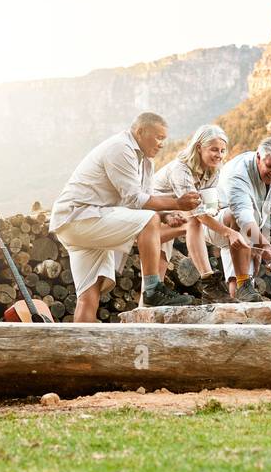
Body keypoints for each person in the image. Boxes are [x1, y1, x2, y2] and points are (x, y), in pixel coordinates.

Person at [49, 112, 200, 321]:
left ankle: (81, 350)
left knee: (88, 295)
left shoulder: (146, 162)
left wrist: (165, 215)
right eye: (158, 137)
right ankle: (153, 289)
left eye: (164, 139)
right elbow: (134, 199)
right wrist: (177, 203)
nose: (162, 144)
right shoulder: (120, 147)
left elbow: (144, 203)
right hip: (80, 217)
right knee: (149, 221)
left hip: (81, 223)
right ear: (140, 131)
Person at [152, 124, 250, 303]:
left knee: (153, 286)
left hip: (172, 220)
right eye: (214, 149)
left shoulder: (213, 171)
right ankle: (208, 281)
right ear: (198, 147)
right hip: (150, 222)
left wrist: (215, 208)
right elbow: (197, 213)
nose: (219, 155)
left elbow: (207, 206)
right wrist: (228, 232)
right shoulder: (180, 170)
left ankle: (211, 283)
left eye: (222, 150)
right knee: (193, 222)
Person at [218, 135, 271, 302]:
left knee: (244, 279)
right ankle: (243, 284)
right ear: (258, 157)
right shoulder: (237, 173)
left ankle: (240, 306)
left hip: (249, 229)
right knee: (237, 221)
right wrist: (264, 244)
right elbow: (243, 217)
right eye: (270, 166)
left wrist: (261, 243)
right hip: (218, 225)